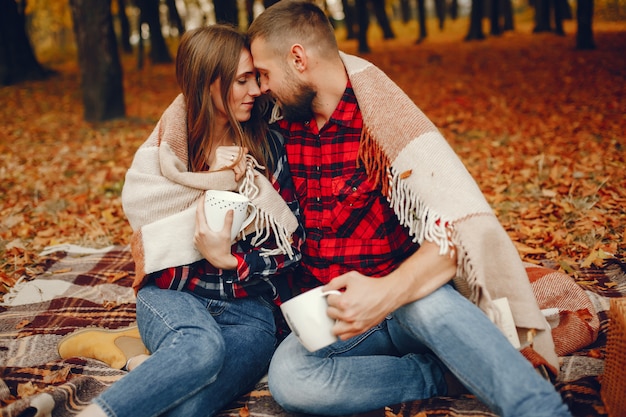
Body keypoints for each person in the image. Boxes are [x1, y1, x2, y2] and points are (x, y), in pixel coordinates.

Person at [247, 2, 572, 417]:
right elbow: (210, 92)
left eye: (264, 74)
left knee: (430, 304)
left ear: (298, 58)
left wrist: (385, 294)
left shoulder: (382, 120)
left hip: (409, 297)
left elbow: (455, 234)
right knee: (290, 377)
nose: (259, 88)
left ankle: (541, 411)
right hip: (337, 311)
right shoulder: (284, 123)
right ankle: (439, 375)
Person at [57, 24, 303, 417]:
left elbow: (291, 244)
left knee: (188, 409)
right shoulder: (169, 153)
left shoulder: (265, 146)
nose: (256, 90)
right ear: (207, 83)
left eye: (255, 78)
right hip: (174, 296)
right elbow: (149, 223)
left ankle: (140, 360)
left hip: (249, 312)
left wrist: (229, 260)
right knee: (199, 349)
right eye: (242, 80)